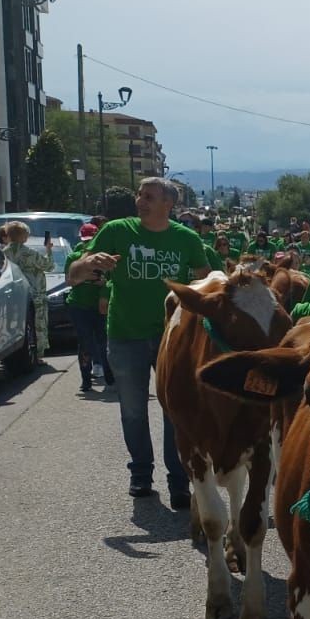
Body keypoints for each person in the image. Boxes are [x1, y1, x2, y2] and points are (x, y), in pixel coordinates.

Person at [65, 177, 209, 507]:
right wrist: (87, 264)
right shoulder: (116, 231)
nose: (140, 201)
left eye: (149, 196)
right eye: (139, 195)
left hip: (171, 339)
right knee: (132, 411)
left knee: (176, 411)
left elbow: (205, 282)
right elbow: (73, 275)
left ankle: (179, 480)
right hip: (124, 335)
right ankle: (141, 473)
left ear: (168, 205)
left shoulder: (186, 239)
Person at [0, 222, 54, 364]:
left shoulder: (2, 254)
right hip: (34, 295)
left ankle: (10, 355)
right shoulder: (29, 253)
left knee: (12, 325)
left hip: (9, 296)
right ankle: (38, 355)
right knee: (38, 325)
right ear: (24, 236)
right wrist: (49, 251)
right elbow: (49, 266)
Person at [66, 226, 111, 391]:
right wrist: (84, 276)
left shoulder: (106, 259)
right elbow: (69, 281)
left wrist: (103, 283)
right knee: (85, 343)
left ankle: (109, 378)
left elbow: (114, 281)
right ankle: (86, 379)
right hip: (79, 306)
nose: (88, 243)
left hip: (101, 307)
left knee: (104, 342)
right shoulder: (74, 258)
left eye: (91, 239)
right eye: (85, 240)